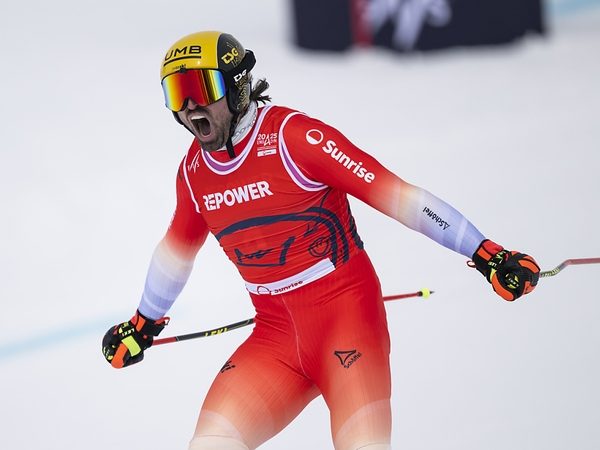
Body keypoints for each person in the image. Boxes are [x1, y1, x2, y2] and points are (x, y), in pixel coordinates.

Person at [102, 31, 540, 450]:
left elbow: (398, 196)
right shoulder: (194, 174)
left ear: (236, 88)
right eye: (177, 95)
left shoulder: (295, 138)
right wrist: (142, 325)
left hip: (348, 322)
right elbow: (175, 255)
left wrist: (487, 254)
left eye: (200, 89)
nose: (190, 106)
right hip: (275, 339)